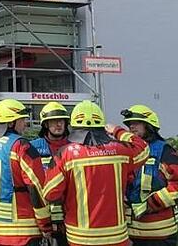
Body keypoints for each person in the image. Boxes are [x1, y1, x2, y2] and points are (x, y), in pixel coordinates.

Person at [44, 100, 148, 246]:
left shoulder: (65, 154)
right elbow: (143, 148)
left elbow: (50, 193)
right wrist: (118, 131)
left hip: (80, 236)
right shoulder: (120, 151)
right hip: (116, 236)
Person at [0, 99, 52, 246]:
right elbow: (36, 187)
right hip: (24, 231)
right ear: (10, 123)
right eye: (22, 120)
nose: (25, 124)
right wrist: (45, 223)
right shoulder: (21, 146)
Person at [121, 105, 178, 246]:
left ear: (149, 126)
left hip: (160, 233)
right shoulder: (127, 151)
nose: (132, 127)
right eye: (129, 124)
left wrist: (152, 203)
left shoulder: (164, 151)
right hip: (131, 233)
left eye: (136, 123)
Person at [29, 102, 71, 246]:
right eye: (53, 121)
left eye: (62, 121)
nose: (58, 124)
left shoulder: (74, 148)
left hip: (70, 216)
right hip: (43, 216)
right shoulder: (33, 147)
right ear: (45, 125)